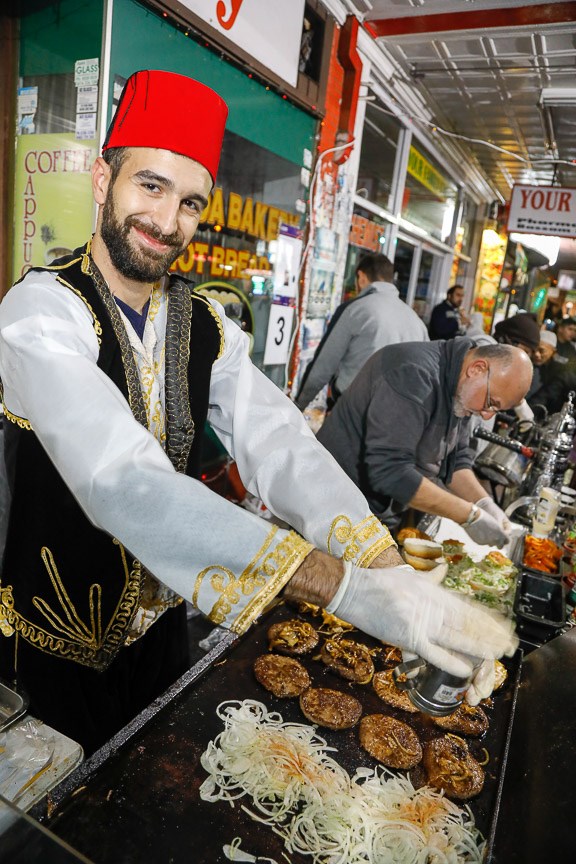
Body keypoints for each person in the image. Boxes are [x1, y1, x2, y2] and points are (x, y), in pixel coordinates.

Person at [0, 70, 516, 755]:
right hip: (57, 647)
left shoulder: (204, 322)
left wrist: (384, 568)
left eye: (190, 202)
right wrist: (342, 588)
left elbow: (278, 442)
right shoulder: (39, 312)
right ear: (103, 179)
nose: (166, 221)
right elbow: (119, 478)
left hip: (162, 637)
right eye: (149, 186)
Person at [317, 339, 533, 544]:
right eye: (490, 403)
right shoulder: (413, 373)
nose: (487, 416)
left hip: (376, 514)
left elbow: (456, 459)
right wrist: (467, 515)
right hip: (334, 505)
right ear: (477, 369)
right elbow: (389, 472)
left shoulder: (463, 388)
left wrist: (484, 503)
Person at [294, 253, 428, 410]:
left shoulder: (355, 309)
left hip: (351, 411)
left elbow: (324, 365)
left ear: (361, 276)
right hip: (395, 416)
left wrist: (298, 406)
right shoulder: (416, 321)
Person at [529, 316, 576, 414]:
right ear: (560, 328)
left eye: (542, 351)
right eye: (570, 329)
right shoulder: (531, 366)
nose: (537, 354)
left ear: (553, 352)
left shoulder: (571, 351)